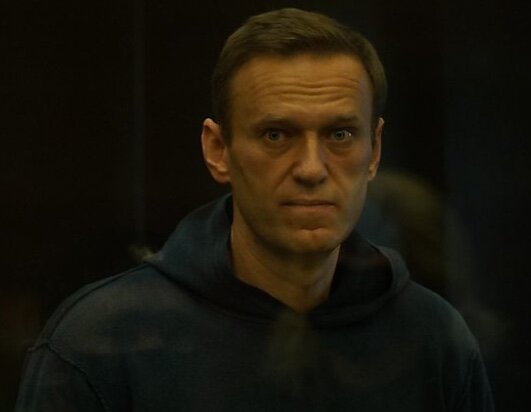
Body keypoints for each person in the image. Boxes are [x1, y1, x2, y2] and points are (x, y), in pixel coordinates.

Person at [15, 8, 494, 411]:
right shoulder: (102, 342)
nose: (312, 168)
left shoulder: (433, 338)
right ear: (217, 150)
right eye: (276, 134)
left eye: (340, 134)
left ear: (374, 151)